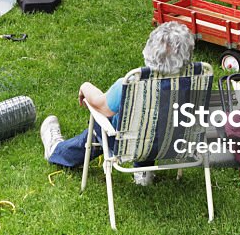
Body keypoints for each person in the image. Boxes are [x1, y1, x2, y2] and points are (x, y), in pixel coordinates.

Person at [39, 22, 196, 186]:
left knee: (103, 127)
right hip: (176, 143)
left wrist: (85, 86)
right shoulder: (196, 80)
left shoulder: (131, 84)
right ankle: (143, 172)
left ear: (151, 50)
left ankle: (56, 151)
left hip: (128, 145)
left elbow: (102, 107)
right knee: (156, 122)